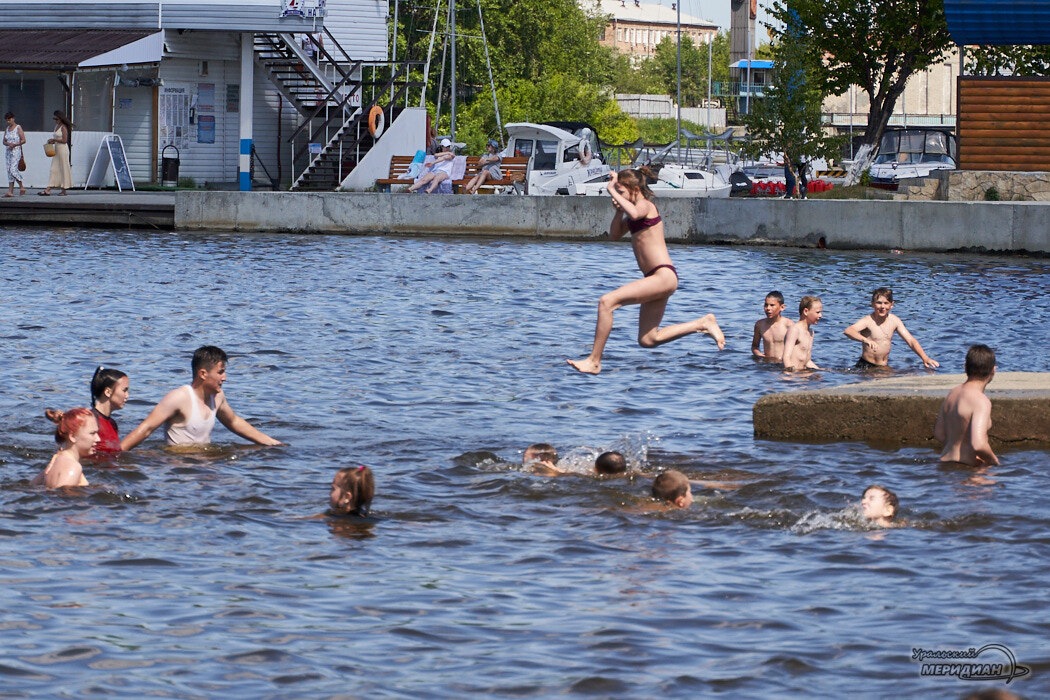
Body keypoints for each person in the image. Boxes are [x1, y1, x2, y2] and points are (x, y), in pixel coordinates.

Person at [567, 168, 725, 374]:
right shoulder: (633, 213)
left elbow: (634, 211)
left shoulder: (645, 205)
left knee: (607, 302)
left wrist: (610, 189)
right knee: (648, 339)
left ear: (633, 189)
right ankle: (702, 323)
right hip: (655, 278)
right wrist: (617, 211)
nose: (618, 196)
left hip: (663, 275)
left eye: (621, 192)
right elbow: (614, 235)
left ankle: (594, 360)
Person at [120, 346, 283, 449]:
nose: (224, 377)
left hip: (204, 464)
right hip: (178, 466)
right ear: (203, 374)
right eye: (220, 372)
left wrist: (270, 443)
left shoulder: (218, 397)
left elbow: (233, 421)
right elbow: (146, 429)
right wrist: (116, 454)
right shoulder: (179, 398)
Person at [934, 344, 998, 467]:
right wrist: (995, 462)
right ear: (993, 370)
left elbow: (939, 433)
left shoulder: (952, 394)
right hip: (965, 468)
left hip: (943, 464)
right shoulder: (981, 401)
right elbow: (979, 445)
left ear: (965, 368)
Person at [844, 287, 938, 369]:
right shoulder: (868, 321)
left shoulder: (895, 321)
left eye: (886, 303)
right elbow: (849, 331)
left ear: (891, 305)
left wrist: (924, 358)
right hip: (866, 366)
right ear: (872, 304)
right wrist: (866, 340)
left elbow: (911, 341)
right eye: (879, 303)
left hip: (883, 366)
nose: (882, 307)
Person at [46, 366, 129, 455]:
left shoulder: (113, 424)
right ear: (108, 392)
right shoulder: (90, 420)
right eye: (124, 390)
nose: (127, 395)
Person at [32, 407, 98, 488]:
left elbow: (31, 486)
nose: (98, 439)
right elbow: (61, 498)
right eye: (92, 433)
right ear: (73, 436)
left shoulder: (54, 463)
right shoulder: (73, 468)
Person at [782, 295, 823, 370]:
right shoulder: (794, 330)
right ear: (806, 311)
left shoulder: (811, 332)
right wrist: (789, 377)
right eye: (818, 312)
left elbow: (807, 361)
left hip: (802, 375)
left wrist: (821, 370)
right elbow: (786, 357)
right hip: (794, 376)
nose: (821, 315)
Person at [751, 290, 794, 361]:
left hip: (782, 363)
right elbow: (754, 346)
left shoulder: (789, 325)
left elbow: (798, 348)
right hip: (767, 363)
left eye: (772, 305)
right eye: (766, 305)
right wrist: (760, 356)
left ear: (782, 307)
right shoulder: (759, 325)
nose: (768, 308)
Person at [41, 110, 73, 196]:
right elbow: (58, 139)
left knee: (63, 168)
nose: (55, 120)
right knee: (54, 168)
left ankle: (63, 189)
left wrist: (54, 140)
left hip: (63, 149)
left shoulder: (63, 127)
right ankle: (49, 188)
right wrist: (52, 142)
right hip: (57, 149)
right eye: (54, 119)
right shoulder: (56, 126)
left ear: (60, 118)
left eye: (56, 118)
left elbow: (64, 140)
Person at [3, 112, 26, 198]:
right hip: (8, 152)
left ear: (13, 118)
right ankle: (10, 191)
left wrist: (15, 144)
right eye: (7, 120)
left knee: (13, 169)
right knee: (9, 171)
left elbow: (23, 140)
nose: (8, 121)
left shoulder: (18, 128)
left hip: (16, 151)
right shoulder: (7, 129)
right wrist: (9, 144)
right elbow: (4, 141)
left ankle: (21, 186)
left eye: (9, 119)